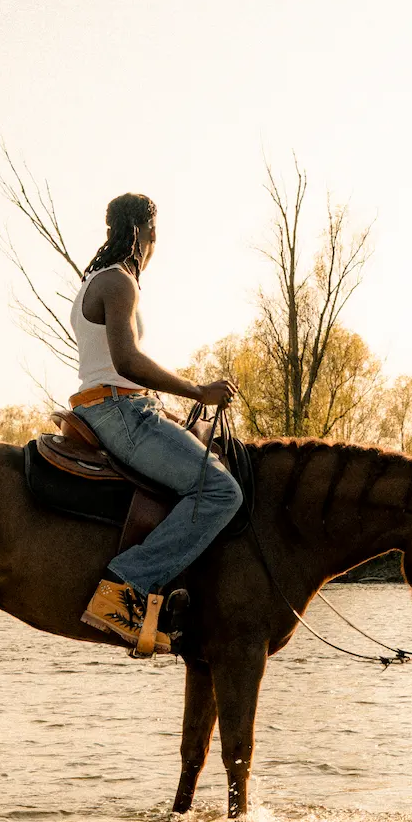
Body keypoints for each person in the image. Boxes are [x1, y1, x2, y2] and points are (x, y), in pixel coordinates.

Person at [70, 192, 242, 654]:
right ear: (145, 233)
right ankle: (126, 587)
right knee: (222, 491)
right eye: (154, 232)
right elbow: (126, 361)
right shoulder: (119, 283)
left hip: (109, 405)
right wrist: (197, 391)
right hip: (120, 410)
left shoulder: (96, 280)